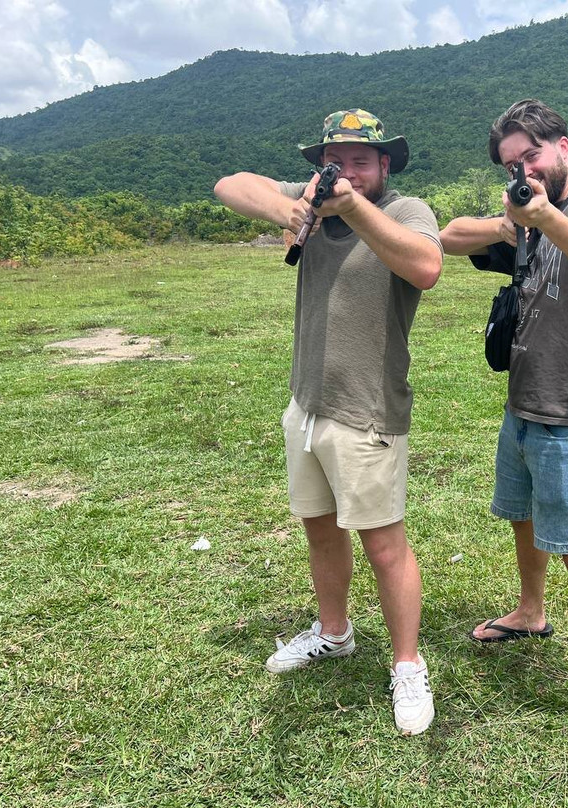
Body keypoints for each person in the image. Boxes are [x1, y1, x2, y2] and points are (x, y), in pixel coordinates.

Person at [214, 109, 443, 736]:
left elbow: (426, 266)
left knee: (386, 546)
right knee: (319, 530)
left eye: (362, 160)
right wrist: (287, 211)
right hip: (306, 404)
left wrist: (348, 207)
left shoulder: (404, 210)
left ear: (385, 164)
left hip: (367, 410)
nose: (346, 171)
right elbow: (230, 183)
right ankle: (334, 633)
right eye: (333, 160)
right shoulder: (312, 198)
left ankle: (406, 665)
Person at [439, 99, 568, 750]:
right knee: (522, 517)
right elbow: (446, 237)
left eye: (531, 155)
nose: (523, 168)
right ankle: (531, 612)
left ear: (562, 144)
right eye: (511, 163)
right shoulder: (527, 218)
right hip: (525, 403)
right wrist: (510, 226)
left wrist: (547, 217)